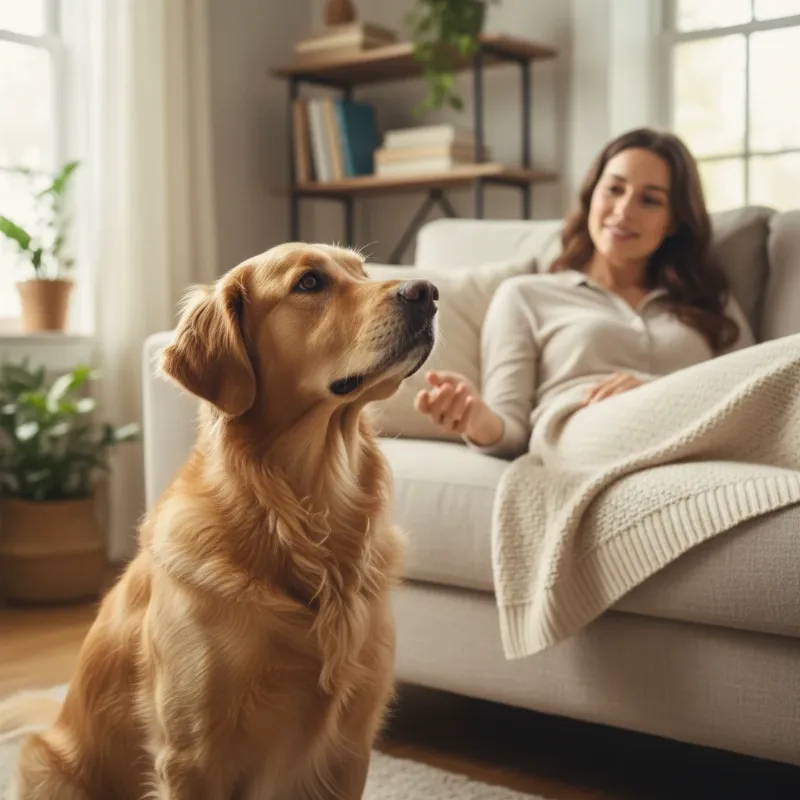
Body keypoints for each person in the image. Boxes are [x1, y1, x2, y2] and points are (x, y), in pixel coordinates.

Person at [413, 127, 755, 459]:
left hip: (701, 437)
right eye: (614, 189)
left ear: (673, 221)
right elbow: (511, 432)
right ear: (592, 194)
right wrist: (475, 418)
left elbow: (755, 393)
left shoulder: (708, 298)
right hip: (585, 431)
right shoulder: (526, 296)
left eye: (649, 200)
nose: (624, 211)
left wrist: (655, 391)